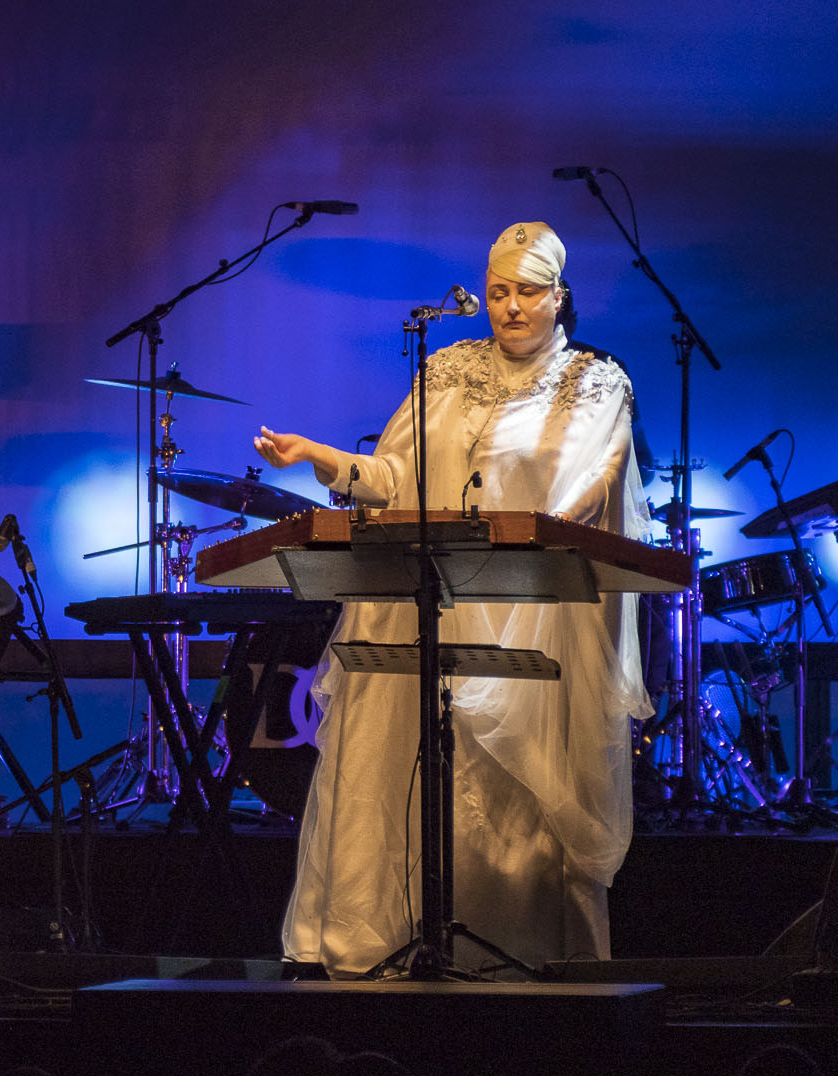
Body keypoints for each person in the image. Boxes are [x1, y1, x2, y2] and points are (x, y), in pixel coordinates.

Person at [252, 221, 650, 976]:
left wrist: (512, 544)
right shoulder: (446, 367)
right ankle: (392, 943)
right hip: (422, 595)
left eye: (528, 292)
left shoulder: (593, 382)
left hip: (521, 607)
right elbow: (395, 480)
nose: (510, 307)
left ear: (560, 298)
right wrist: (323, 460)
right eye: (498, 292)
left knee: (505, 791)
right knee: (401, 767)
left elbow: (582, 492)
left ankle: (510, 949)